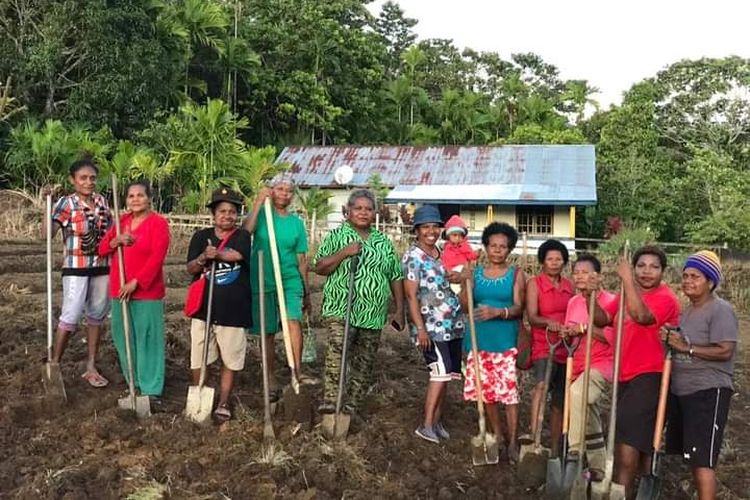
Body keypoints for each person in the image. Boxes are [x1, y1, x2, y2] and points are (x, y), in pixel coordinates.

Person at [592, 245, 680, 498]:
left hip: (650, 376)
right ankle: (638, 483)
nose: (646, 272)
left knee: (627, 438)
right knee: (631, 435)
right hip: (625, 375)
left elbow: (641, 316)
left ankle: (621, 491)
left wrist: (628, 281)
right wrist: (590, 294)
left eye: (654, 267)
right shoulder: (625, 293)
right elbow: (601, 319)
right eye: (641, 266)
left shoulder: (666, 298)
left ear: (663, 271)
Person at [313, 189, 404, 418]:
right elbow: (320, 267)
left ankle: (350, 408)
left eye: (368, 209)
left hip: (372, 313)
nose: (363, 213)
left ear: (374, 212)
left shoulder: (383, 242)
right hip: (340, 307)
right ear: (348, 211)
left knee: (364, 362)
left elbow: (395, 276)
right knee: (337, 350)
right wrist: (344, 253)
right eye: (358, 208)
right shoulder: (336, 237)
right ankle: (331, 401)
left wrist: (400, 309)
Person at [663, 251, 738, 500]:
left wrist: (688, 348)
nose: (688, 281)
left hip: (708, 391)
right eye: (685, 276)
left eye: (695, 276)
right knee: (692, 457)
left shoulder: (720, 310)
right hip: (683, 391)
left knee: (703, 459)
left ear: (710, 281)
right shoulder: (687, 312)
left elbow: (725, 351)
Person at [43, 158, 112, 388]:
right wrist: (47, 207)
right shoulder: (66, 203)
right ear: (73, 180)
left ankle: (91, 366)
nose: (88, 182)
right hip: (76, 267)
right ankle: (54, 365)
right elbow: (47, 235)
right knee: (71, 315)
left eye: (92, 178)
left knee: (97, 315)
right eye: (83, 178)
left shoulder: (102, 201)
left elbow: (111, 231)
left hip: (102, 266)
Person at [459, 222, 525, 462]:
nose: (497, 250)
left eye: (503, 247)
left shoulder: (516, 274)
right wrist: (466, 284)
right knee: (486, 393)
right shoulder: (474, 273)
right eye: (493, 245)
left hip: (505, 340)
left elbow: (520, 307)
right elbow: (465, 307)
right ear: (486, 247)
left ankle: (513, 441)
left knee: (509, 394)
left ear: (509, 250)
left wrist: (498, 312)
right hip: (478, 340)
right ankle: (497, 435)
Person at [186, 188, 252, 421]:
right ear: (214, 214)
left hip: (233, 310)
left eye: (232, 212)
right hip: (203, 309)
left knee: (231, 358)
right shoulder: (200, 236)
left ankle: (223, 401)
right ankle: (201, 393)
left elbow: (238, 256)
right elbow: (191, 267)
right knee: (199, 355)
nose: (227, 216)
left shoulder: (242, 236)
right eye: (222, 211)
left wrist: (218, 255)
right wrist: (204, 257)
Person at [99, 180, 170, 398]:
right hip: (119, 290)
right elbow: (102, 249)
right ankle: (134, 381)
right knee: (124, 336)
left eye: (140, 195)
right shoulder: (121, 222)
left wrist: (136, 282)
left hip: (146, 292)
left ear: (149, 198)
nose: (135, 199)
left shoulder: (158, 224)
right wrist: (115, 242)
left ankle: (151, 387)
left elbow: (157, 257)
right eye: (131, 196)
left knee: (147, 337)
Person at [403, 205, 465, 443]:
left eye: (435, 226)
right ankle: (426, 425)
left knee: (447, 374)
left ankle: (437, 422)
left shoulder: (439, 253)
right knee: (438, 373)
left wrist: (459, 277)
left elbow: (444, 283)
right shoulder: (413, 257)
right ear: (417, 230)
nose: (431, 231)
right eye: (425, 227)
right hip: (430, 327)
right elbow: (411, 296)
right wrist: (420, 328)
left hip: (451, 324)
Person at [244, 173, 310, 396]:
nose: (284, 194)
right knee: (268, 330)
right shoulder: (262, 215)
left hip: (290, 278)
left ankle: (296, 372)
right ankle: (269, 375)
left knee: (293, 322)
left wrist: (306, 291)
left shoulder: (296, 224)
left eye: (289, 191)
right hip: (263, 277)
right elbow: (246, 232)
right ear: (272, 191)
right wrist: (258, 202)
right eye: (280, 189)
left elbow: (302, 259)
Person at [562, 254, 617, 481]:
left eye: (585, 272)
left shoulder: (611, 301)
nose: (579, 276)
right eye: (576, 272)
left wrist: (584, 329)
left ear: (598, 276)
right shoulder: (573, 302)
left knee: (577, 395)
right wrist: (567, 332)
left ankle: (575, 453)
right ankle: (599, 468)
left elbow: (611, 337)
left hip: (602, 364)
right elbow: (570, 330)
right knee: (587, 410)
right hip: (579, 363)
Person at [523, 239, 573, 454]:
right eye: (550, 259)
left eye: (558, 259)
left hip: (568, 345)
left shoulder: (569, 286)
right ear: (543, 261)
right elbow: (532, 317)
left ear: (564, 262)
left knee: (560, 398)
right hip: (545, 344)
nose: (554, 263)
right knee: (542, 386)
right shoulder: (535, 284)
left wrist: (568, 328)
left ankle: (554, 446)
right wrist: (549, 323)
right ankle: (533, 434)